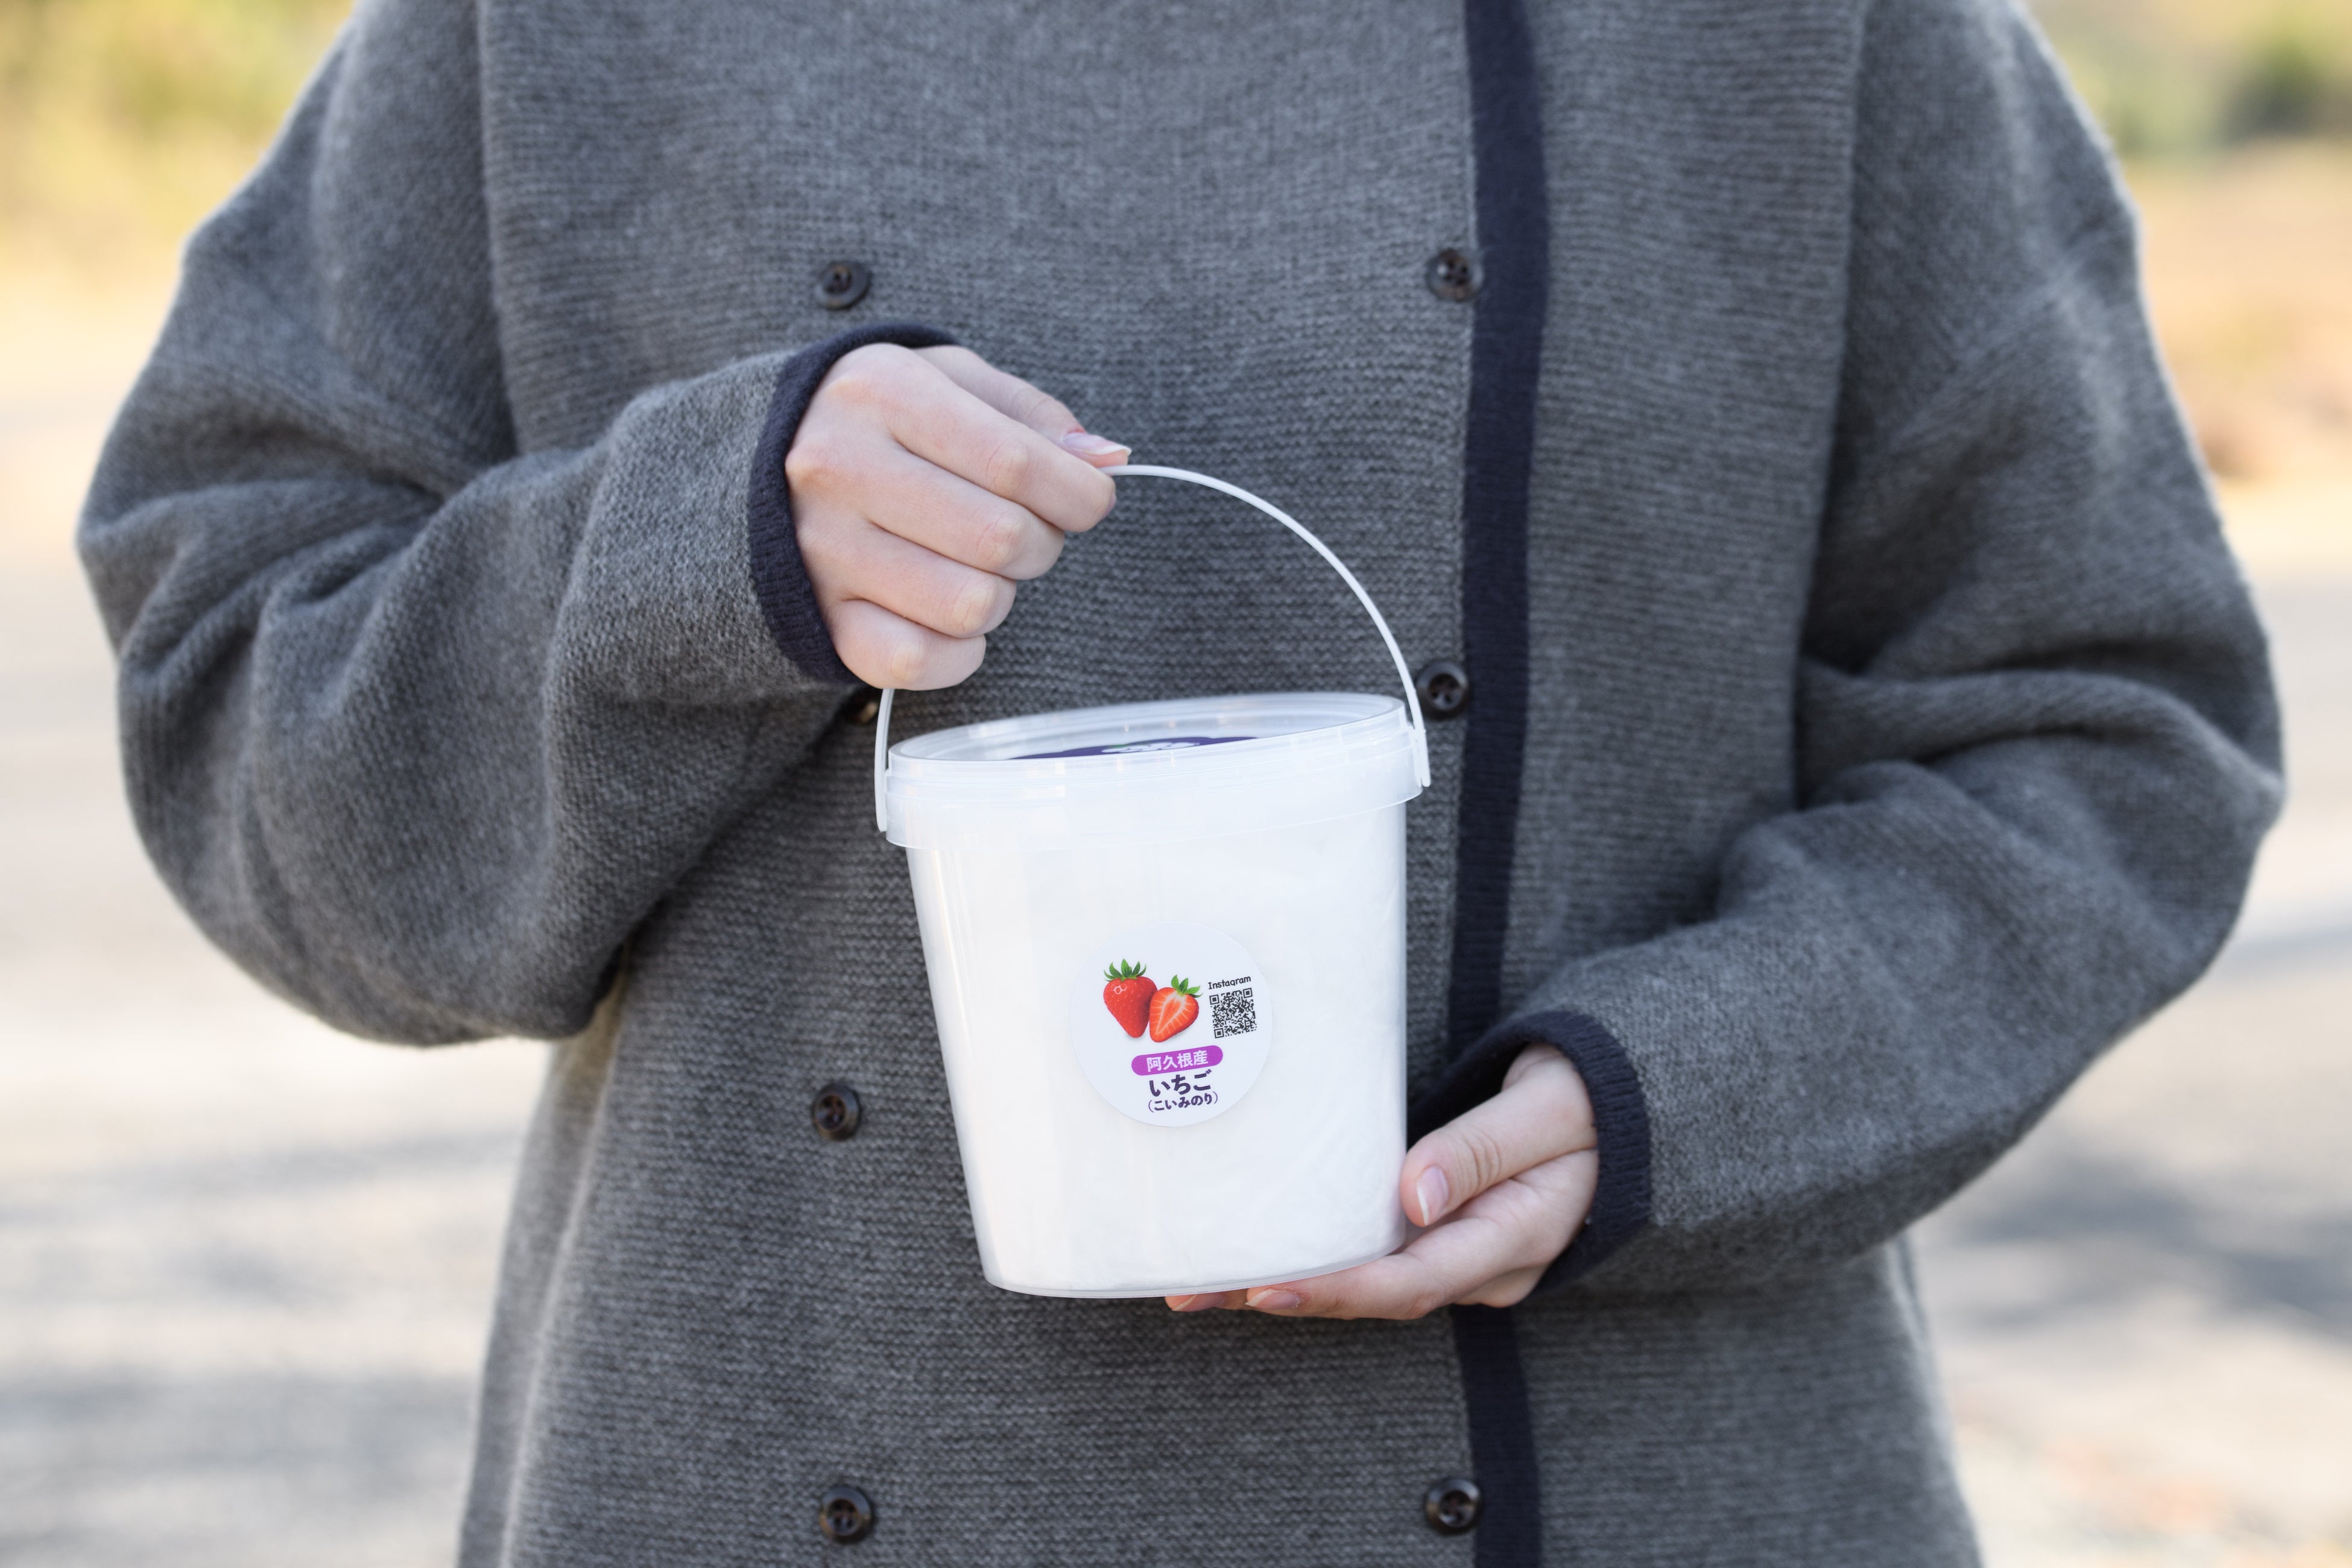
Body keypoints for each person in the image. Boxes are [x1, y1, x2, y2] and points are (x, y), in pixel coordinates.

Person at [79, 0, 2280, 1560]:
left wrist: (1675, 1095)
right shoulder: (545, 35)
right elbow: (246, 719)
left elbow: (2103, 725)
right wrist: (690, 557)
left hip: (1651, 1478)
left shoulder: (1808, 37)